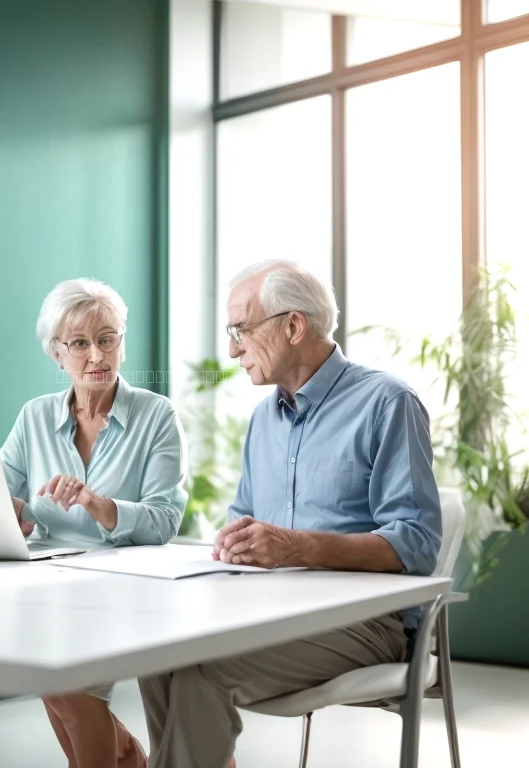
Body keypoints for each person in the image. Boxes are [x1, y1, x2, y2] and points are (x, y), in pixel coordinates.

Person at [138, 259, 443, 768]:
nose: (232, 348)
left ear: (293, 325)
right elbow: (244, 520)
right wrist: (232, 543)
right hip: (269, 612)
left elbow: (416, 543)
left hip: (364, 625)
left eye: (240, 330)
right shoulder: (263, 419)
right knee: (155, 654)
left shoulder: (387, 402)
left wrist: (294, 547)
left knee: (202, 674)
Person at [0, 277, 188, 768]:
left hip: (123, 583)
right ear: (57, 354)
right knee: (53, 686)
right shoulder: (34, 417)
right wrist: (12, 513)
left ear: (122, 342)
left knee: (66, 690)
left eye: (107, 339)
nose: (96, 356)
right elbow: (1, 496)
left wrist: (101, 506)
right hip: (44, 581)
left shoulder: (157, 415)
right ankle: (123, 753)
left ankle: (121, 755)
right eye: (80, 344)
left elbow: (166, 520)